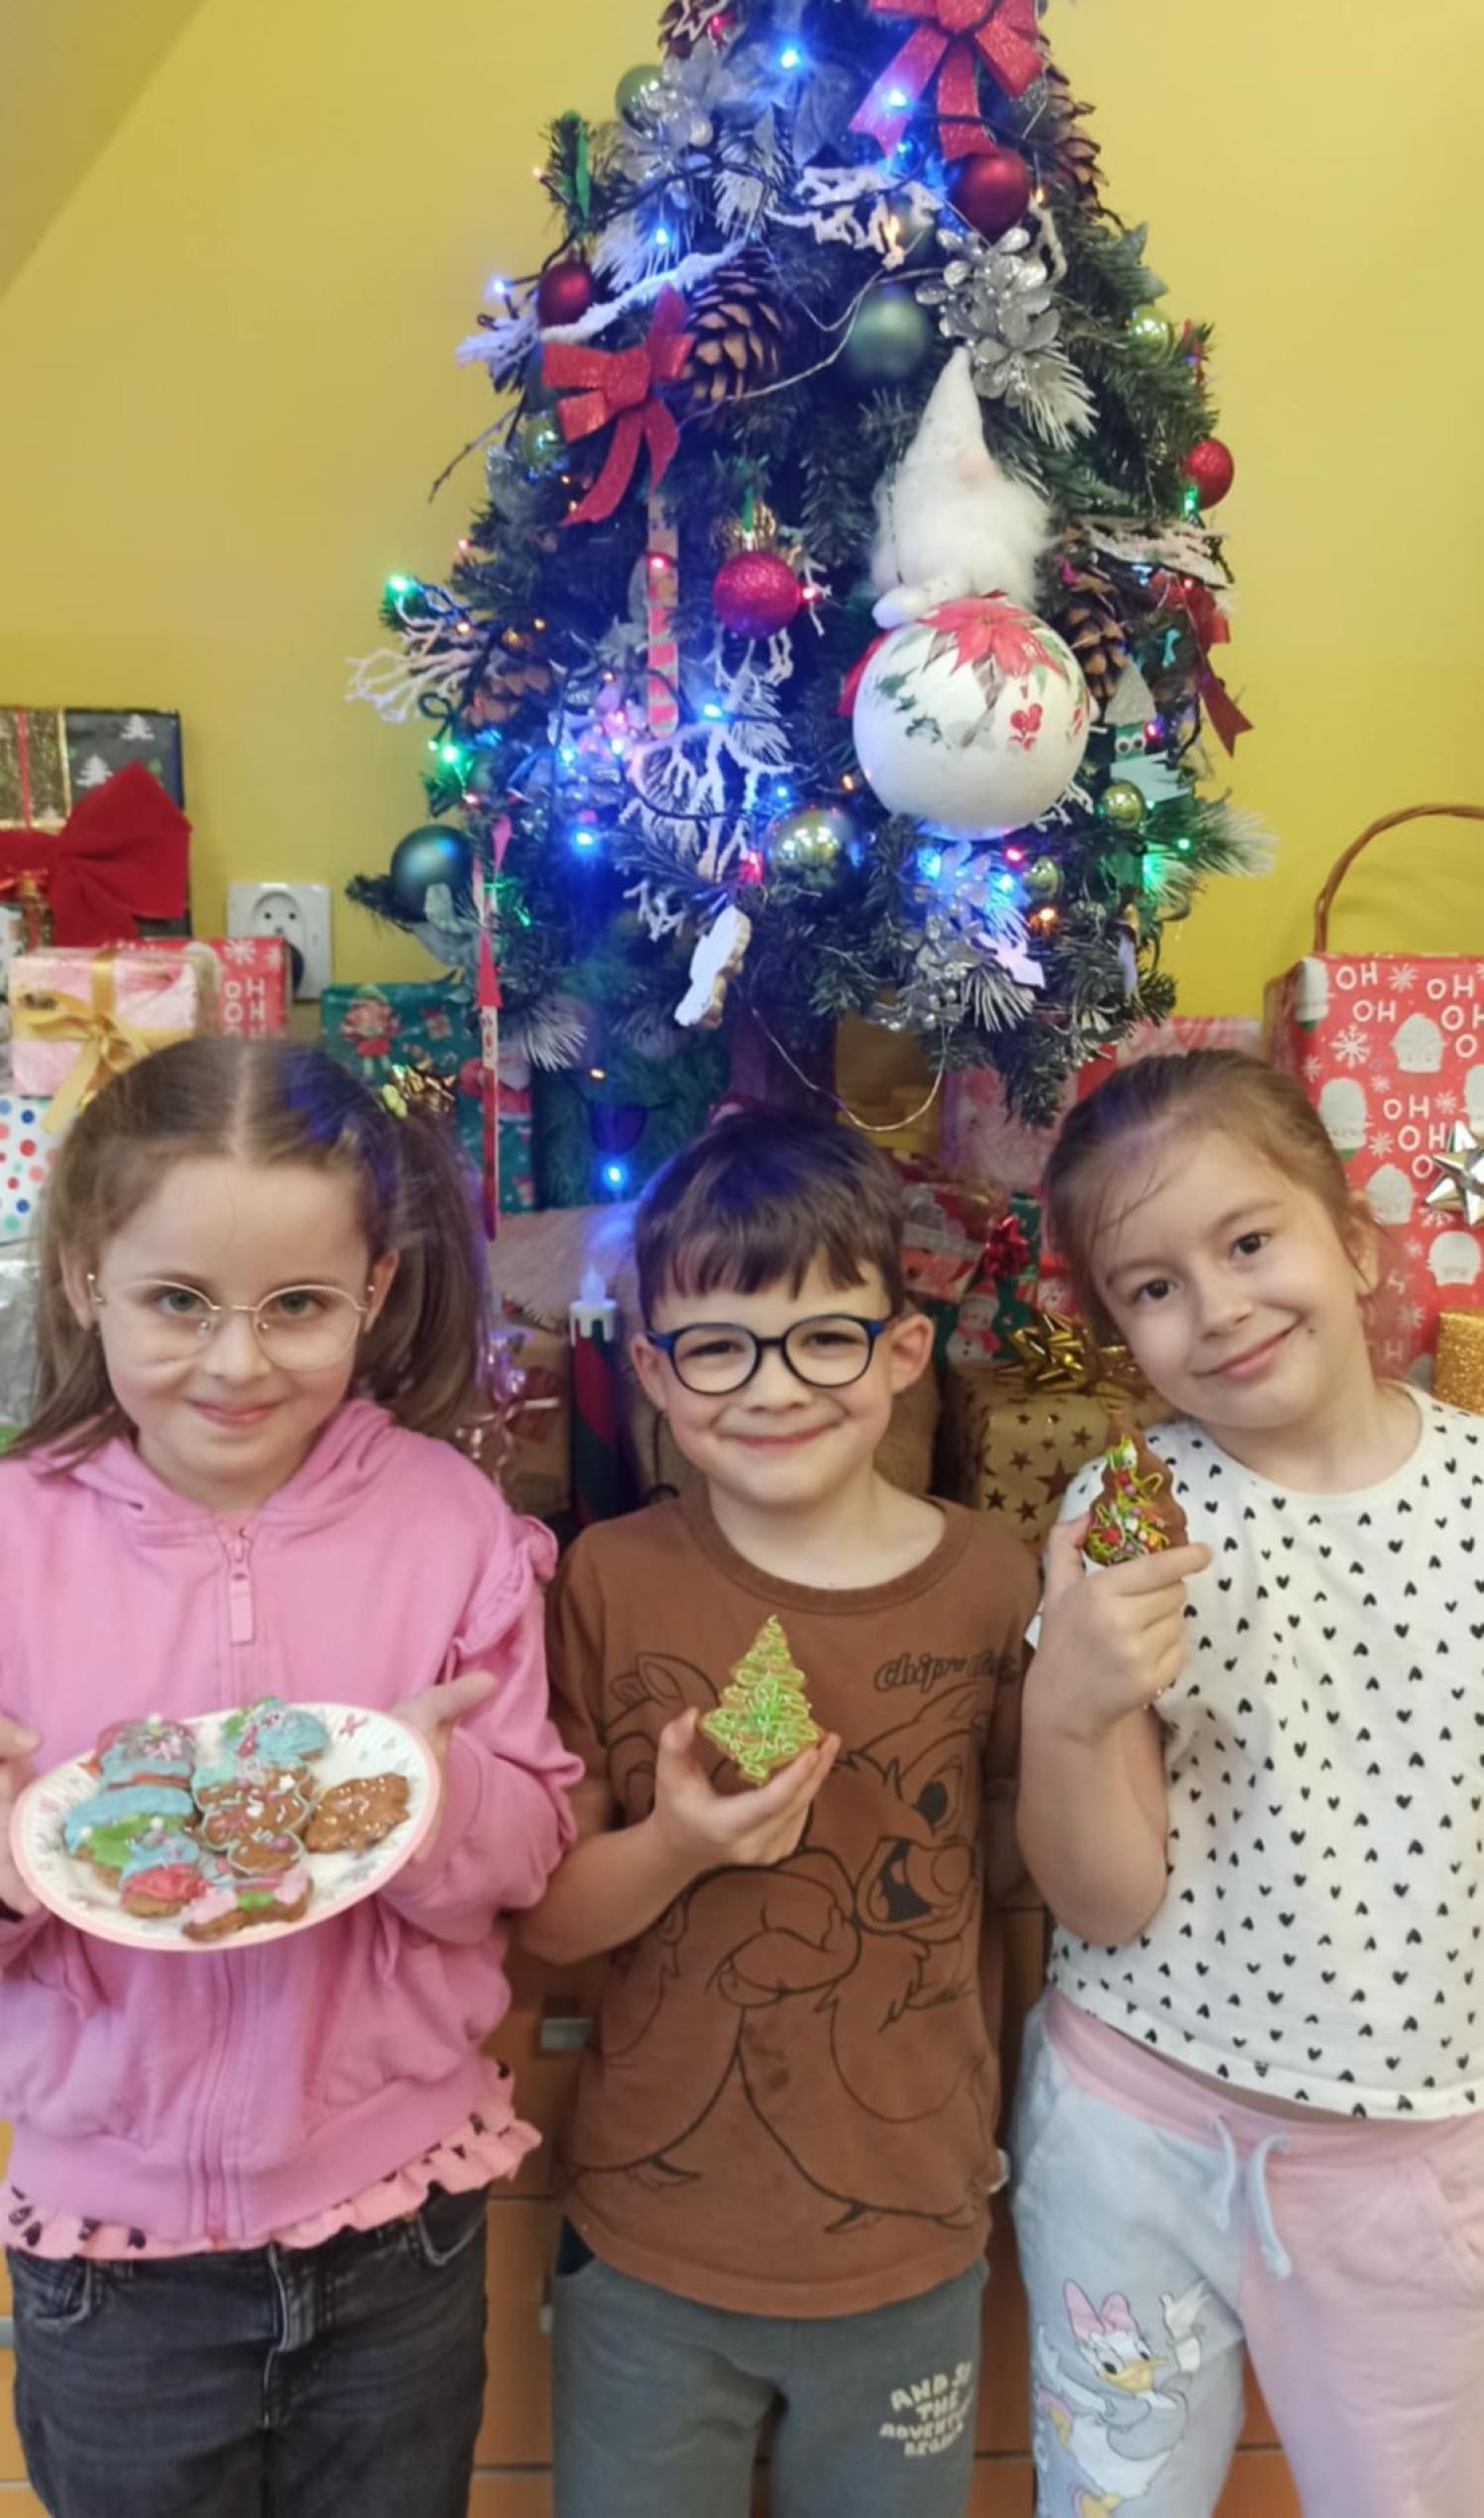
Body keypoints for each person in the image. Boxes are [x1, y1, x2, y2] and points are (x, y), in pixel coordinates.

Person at [0, 1037, 581, 2518]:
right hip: (112, 2253)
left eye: (298, 1305)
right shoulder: (14, 1541)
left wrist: (430, 1802)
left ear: (375, 1289)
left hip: (399, 2225)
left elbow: (533, 1844)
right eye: (178, 1302)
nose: (238, 1362)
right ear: (84, 1278)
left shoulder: (449, 1523)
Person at [520, 1111, 1039, 2518]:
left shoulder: (995, 1583)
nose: (774, 1387)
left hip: (910, 2236)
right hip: (648, 2248)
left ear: (904, 1350)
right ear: (652, 1370)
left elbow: (1023, 1876)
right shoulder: (607, 1579)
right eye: (718, 1347)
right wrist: (678, 1845)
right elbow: (551, 1922)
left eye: (824, 1337)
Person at [1013, 1050, 1484, 2518]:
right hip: (1132, 2134)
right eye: (1153, 1286)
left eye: (1249, 1242)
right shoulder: (1125, 1513)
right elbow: (1104, 1896)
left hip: (1416, 2165)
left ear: (1354, 1243)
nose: (1215, 1308)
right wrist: (1071, 1703)